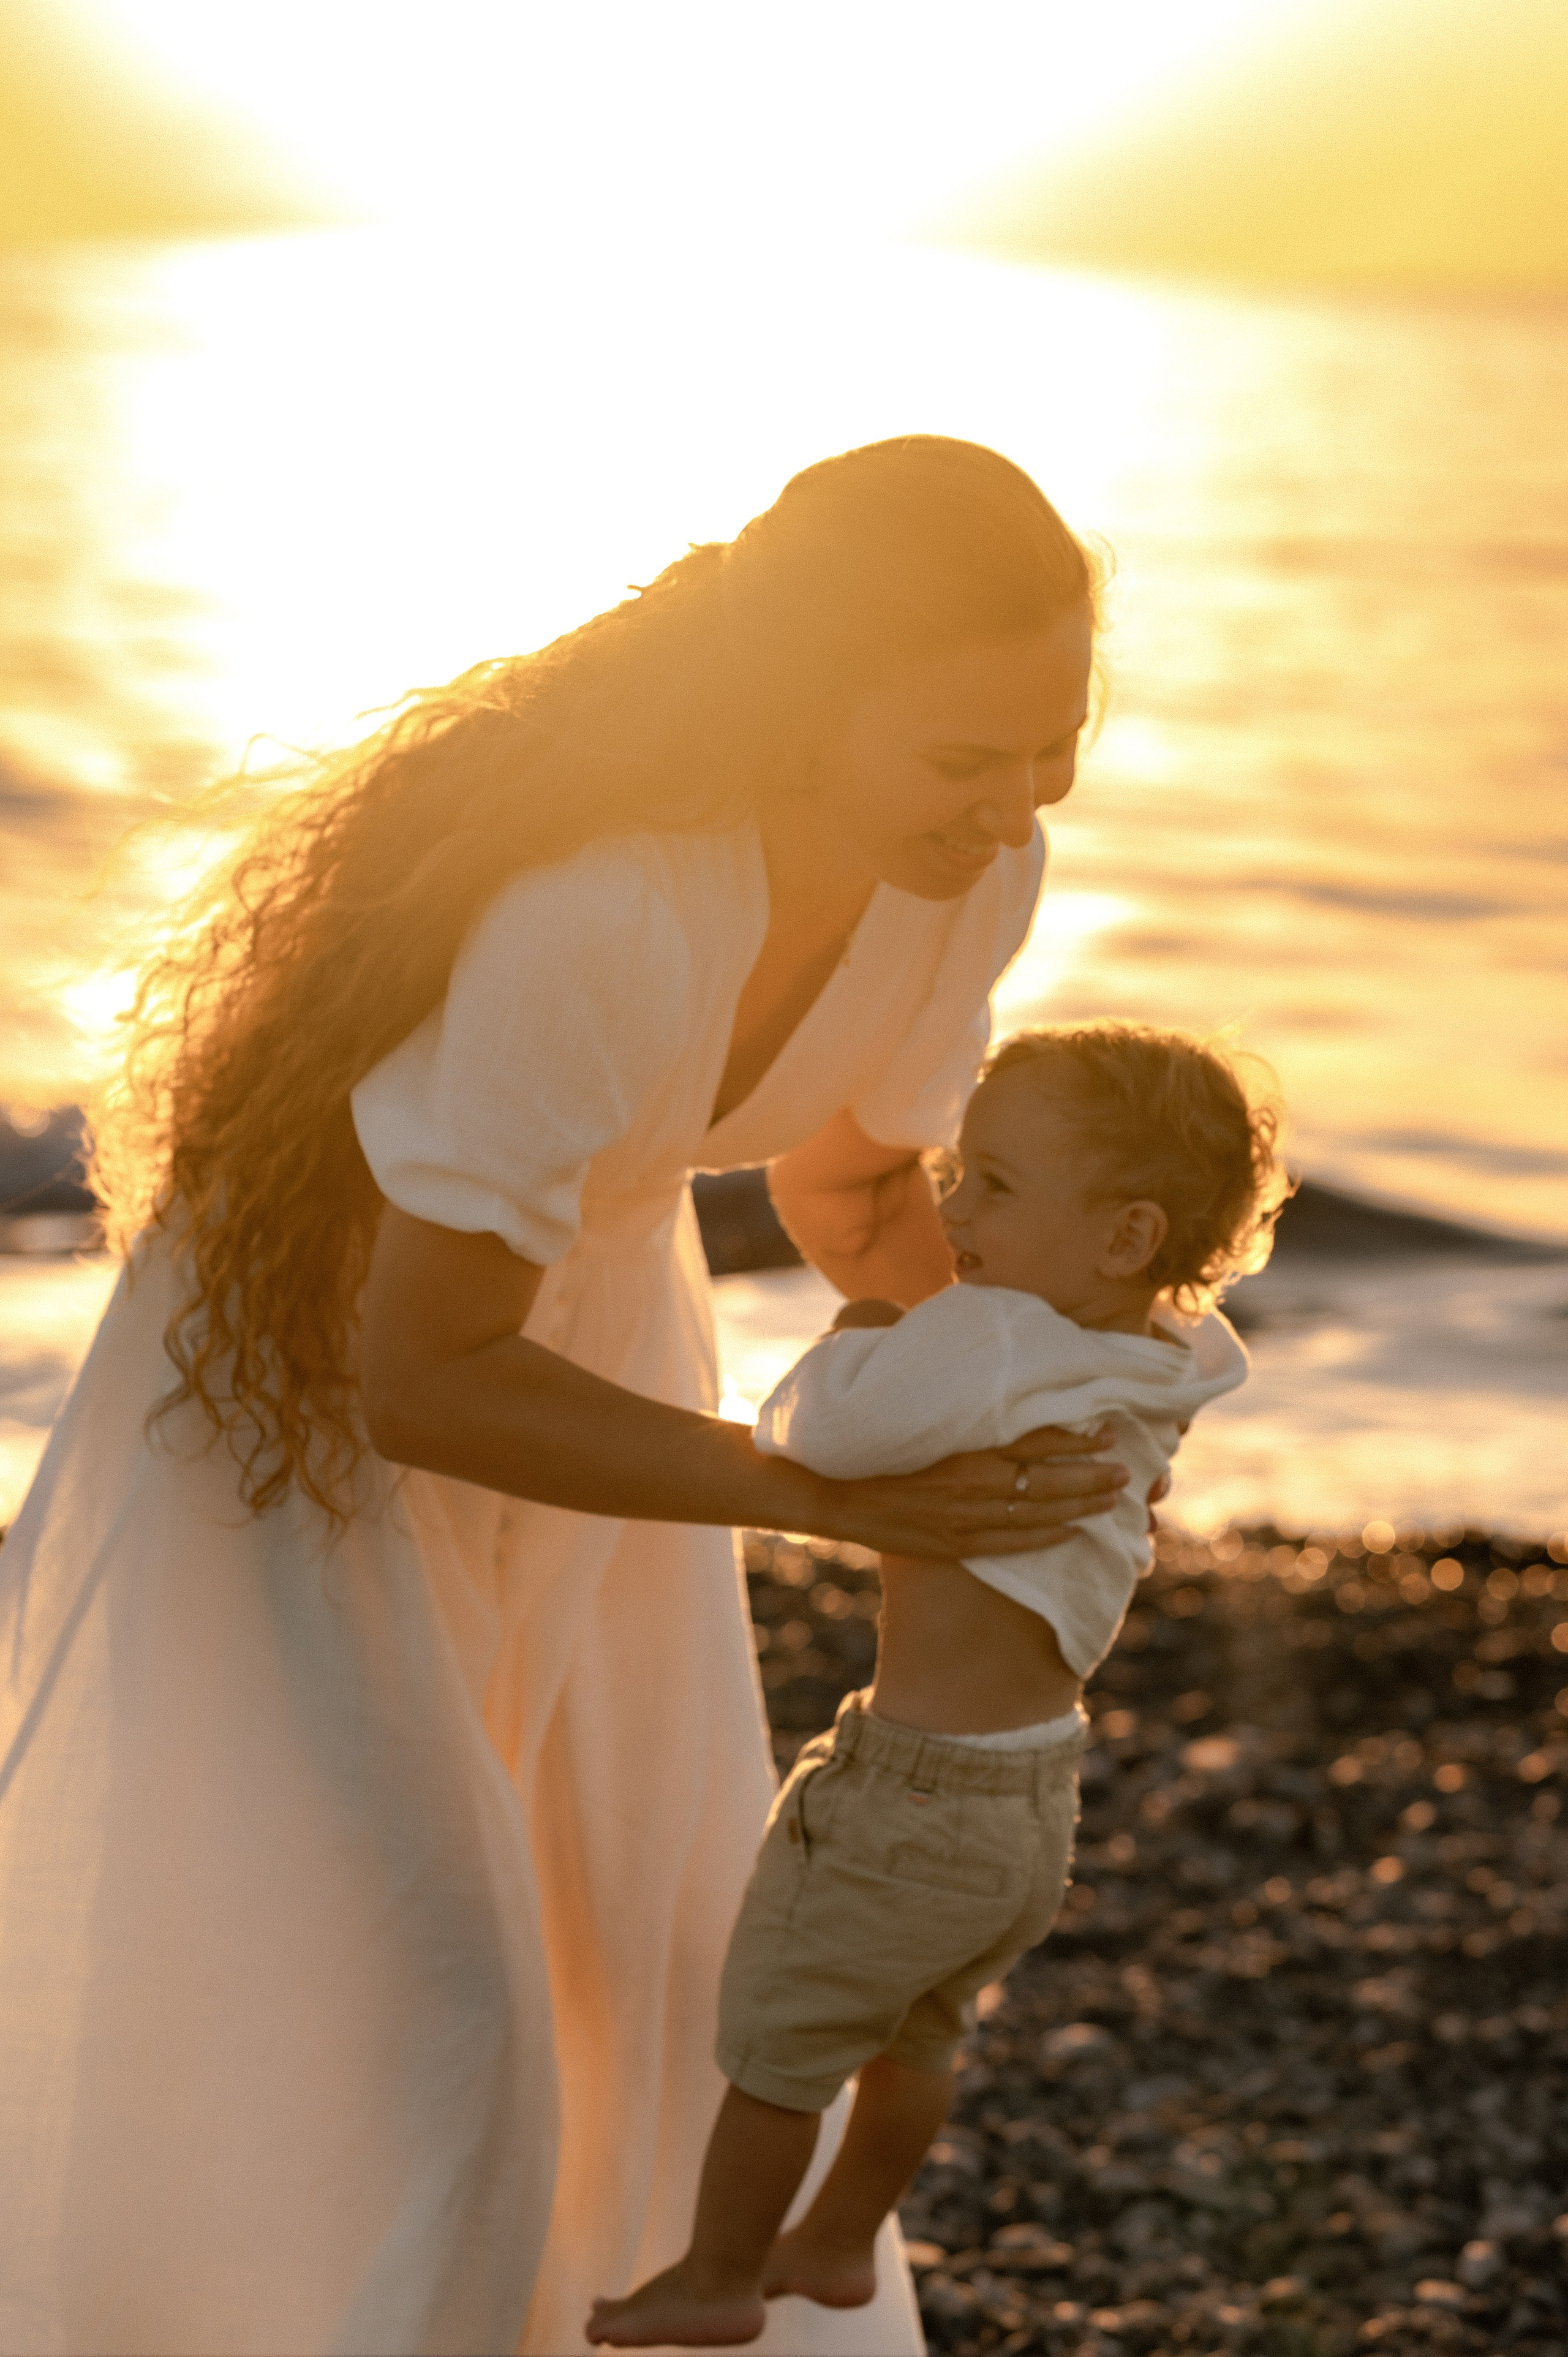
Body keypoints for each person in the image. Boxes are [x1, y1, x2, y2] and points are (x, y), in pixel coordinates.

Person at [0, 436, 1131, 2357]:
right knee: (425, 1995)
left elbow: (853, 1183)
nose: (1013, 808)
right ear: (804, 705)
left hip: (602, 1344)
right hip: (314, 1395)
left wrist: (1011, 1412)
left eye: (1054, 751)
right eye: (964, 758)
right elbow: (423, 1380)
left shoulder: (970, 884)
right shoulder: (605, 910)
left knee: (660, 1936)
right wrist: (831, 1495)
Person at [587, 1020, 1283, 2350]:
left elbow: (827, 1434)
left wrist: (853, 1333)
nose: (951, 1204)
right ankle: (843, 2237)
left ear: (1124, 1236)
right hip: (1029, 1796)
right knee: (918, 2032)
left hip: (909, 1793)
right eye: (957, 1167)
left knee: (779, 2047)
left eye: (997, 1186)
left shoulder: (998, 1335)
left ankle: (720, 2273)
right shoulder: (1170, 1351)